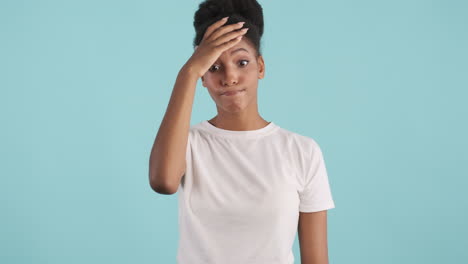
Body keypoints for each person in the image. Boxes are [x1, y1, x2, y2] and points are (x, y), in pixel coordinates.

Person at [148, 0, 336, 263]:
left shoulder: (302, 151)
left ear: (261, 67)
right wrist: (188, 72)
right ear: (202, 77)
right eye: (213, 67)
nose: (230, 77)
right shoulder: (187, 144)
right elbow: (163, 182)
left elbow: (316, 259)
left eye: (242, 62)